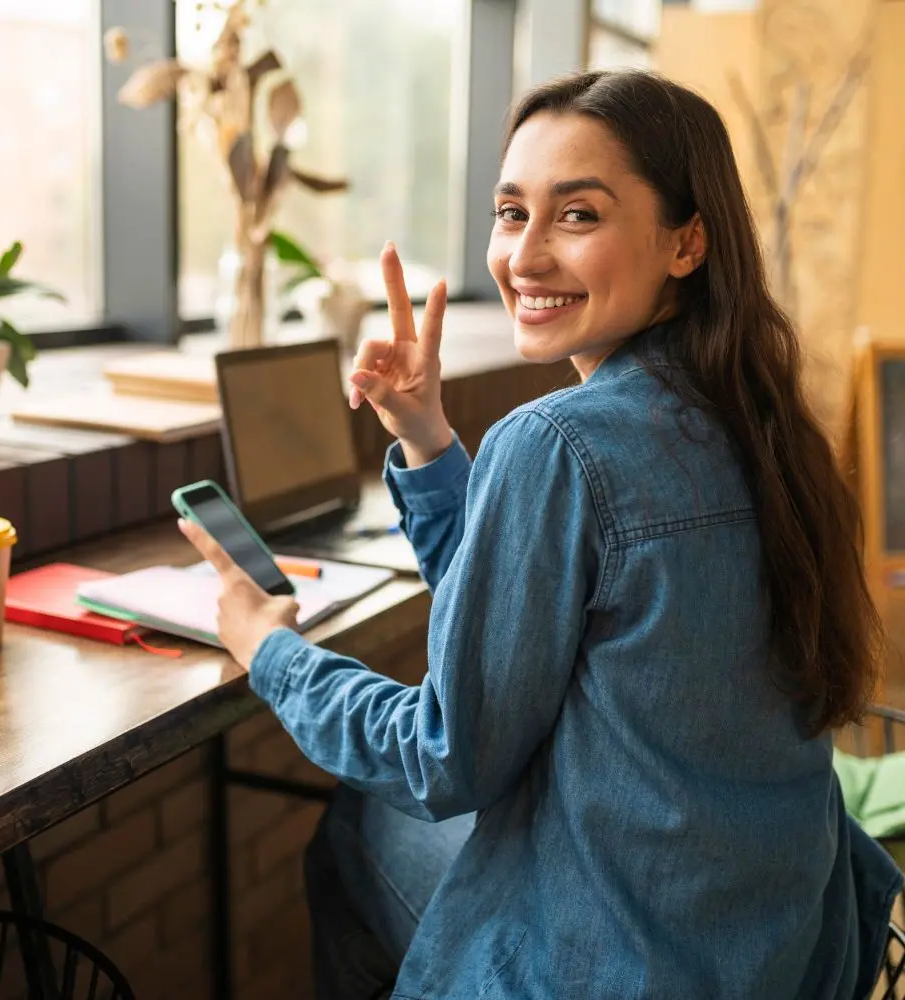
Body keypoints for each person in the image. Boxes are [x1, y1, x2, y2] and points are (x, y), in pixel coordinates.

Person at [179, 70, 903, 999]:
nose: (524, 257)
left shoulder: (555, 442)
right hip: (781, 948)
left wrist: (270, 649)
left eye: (578, 216)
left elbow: (445, 757)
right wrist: (427, 438)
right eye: (511, 212)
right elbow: (531, 621)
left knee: (360, 823)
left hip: (622, 962)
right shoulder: (764, 423)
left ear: (687, 241)